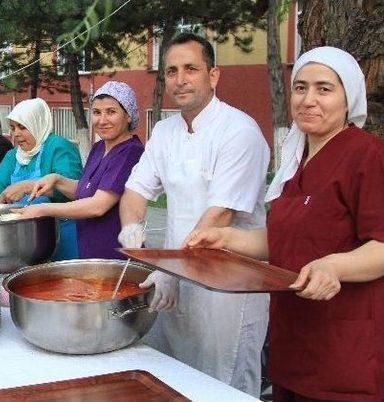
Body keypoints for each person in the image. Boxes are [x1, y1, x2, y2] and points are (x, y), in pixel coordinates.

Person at [185, 47, 384, 402]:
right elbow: (286, 240)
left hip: (342, 352)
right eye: (300, 88)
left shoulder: (366, 155)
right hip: (292, 342)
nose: (308, 100)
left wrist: (334, 266)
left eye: (324, 89)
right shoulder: (297, 160)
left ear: (348, 96)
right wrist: (226, 237)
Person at [117, 33, 270, 396]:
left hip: (226, 292)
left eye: (191, 69)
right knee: (178, 384)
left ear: (213, 75)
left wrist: (171, 271)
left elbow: (220, 217)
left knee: (224, 386)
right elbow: (135, 191)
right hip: (178, 279)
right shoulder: (165, 131)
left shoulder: (239, 131)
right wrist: (132, 229)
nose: (180, 79)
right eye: (171, 71)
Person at [12, 81, 143, 259]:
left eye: (111, 112)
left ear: (128, 116)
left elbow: (98, 205)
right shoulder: (99, 148)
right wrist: (57, 180)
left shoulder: (130, 152)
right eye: (97, 112)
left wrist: (42, 209)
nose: (102, 120)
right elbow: (85, 191)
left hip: (117, 256)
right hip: (91, 252)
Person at [0, 98, 82, 261]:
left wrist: (28, 186)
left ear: (37, 123)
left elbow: (73, 190)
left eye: (23, 127)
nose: (16, 134)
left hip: (61, 234)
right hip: (28, 239)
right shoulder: (13, 155)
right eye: (13, 128)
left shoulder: (58, 147)